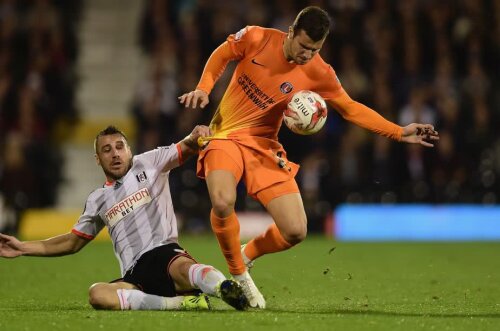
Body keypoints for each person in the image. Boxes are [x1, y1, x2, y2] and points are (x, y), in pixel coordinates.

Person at [179, 6, 439, 309]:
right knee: (222, 201)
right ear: (291, 32)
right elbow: (221, 54)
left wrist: (398, 132)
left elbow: (350, 107)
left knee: (295, 231)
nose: (306, 54)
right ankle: (239, 275)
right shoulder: (257, 37)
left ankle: (246, 254)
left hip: (263, 145)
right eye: (303, 46)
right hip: (225, 135)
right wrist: (203, 88)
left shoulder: (320, 71)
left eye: (314, 49)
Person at [0, 125, 249, 311]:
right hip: (134, 276)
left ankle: (223, 288)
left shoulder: (149, 163)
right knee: (97, 294)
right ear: (98, 159)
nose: (115, 154)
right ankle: (183, 304)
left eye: (120, 147)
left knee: (188, 268)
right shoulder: (98, 199)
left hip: (165, 255)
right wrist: (22, 247)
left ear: (129, 149)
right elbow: (72, 242)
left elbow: (188, 146)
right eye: (106, 150)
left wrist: (196, 136)